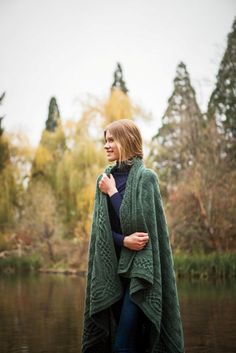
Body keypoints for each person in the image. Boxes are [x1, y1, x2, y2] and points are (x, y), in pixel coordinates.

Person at [82, 119, 185, 353]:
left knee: (123, 345)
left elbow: (140, 229)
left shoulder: (146, 179)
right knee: (124, 339)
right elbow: (101, 233)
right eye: (105, 141)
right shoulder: (104, 179)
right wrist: (123, 241)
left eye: (111, 140)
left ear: (127, 141)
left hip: (140, 273)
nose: (106, 145)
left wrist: (113, 193)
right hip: (112, 270)